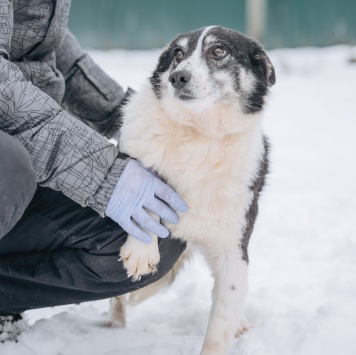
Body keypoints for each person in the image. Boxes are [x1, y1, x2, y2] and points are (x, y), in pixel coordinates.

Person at [0, 0, 188, 341]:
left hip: (30, 160)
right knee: (7, 166)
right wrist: (105, 175)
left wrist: (135, 121)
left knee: (156, 235)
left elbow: (63, 61)